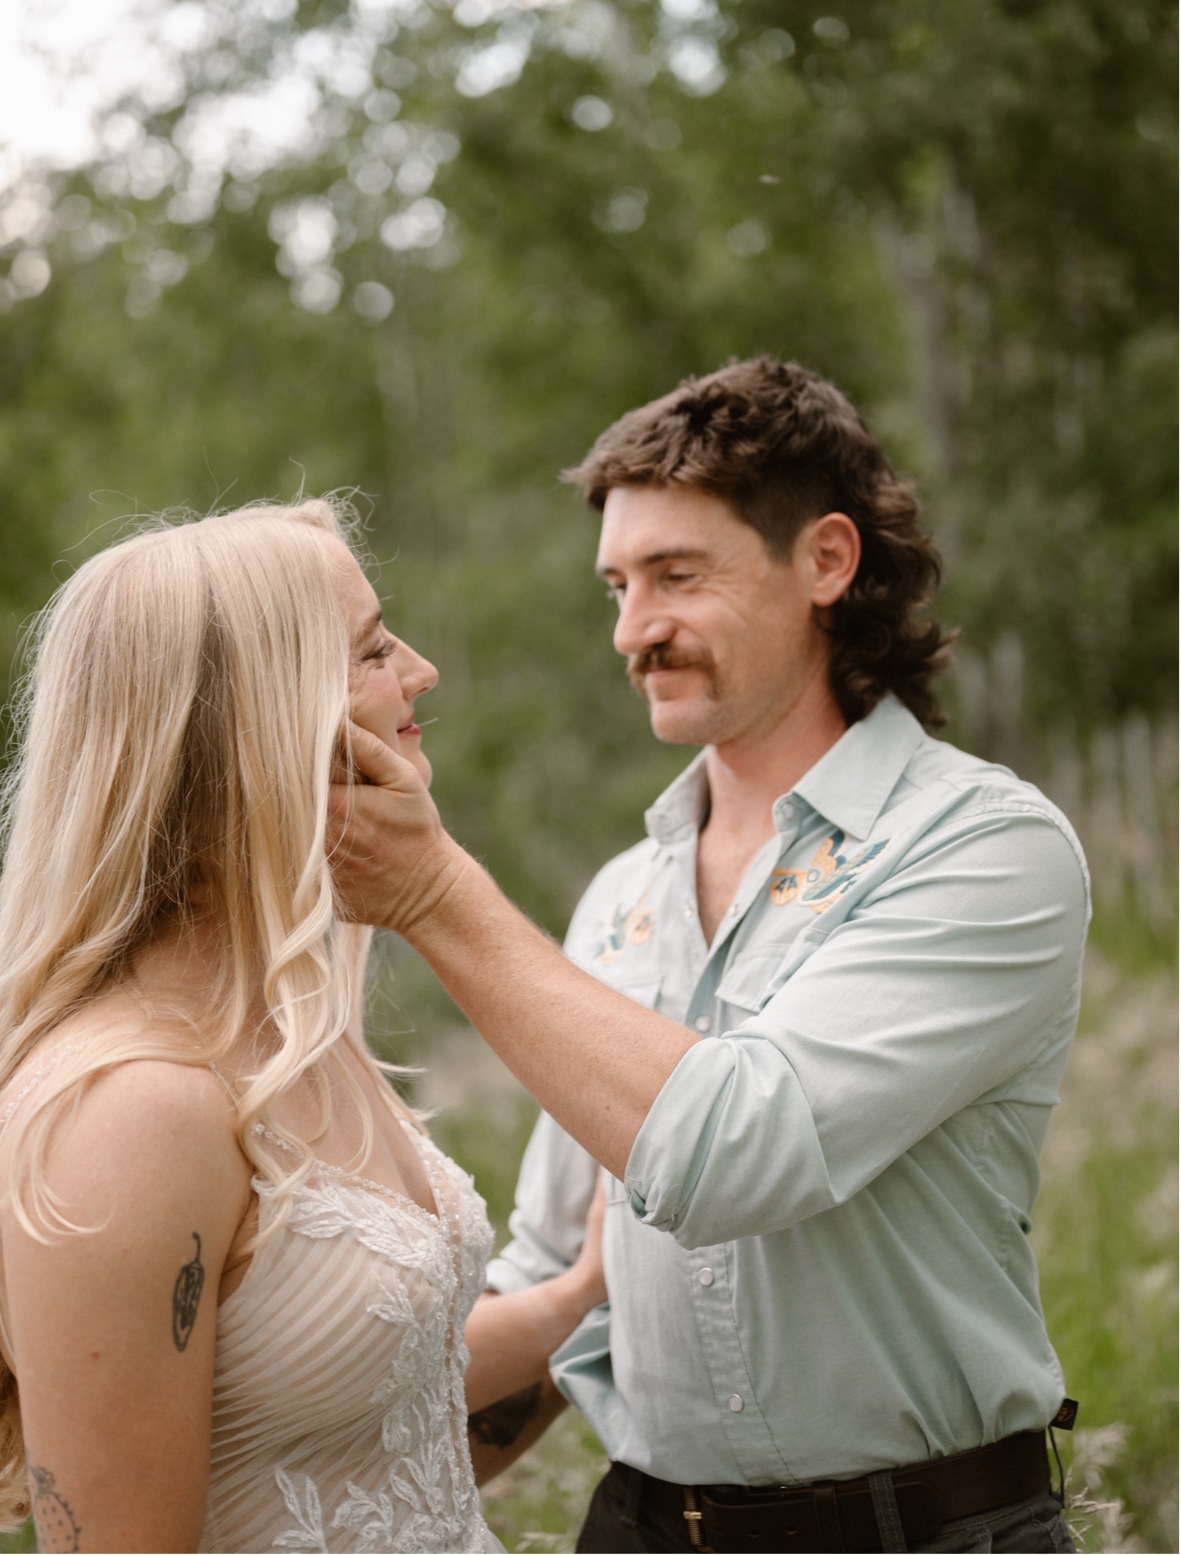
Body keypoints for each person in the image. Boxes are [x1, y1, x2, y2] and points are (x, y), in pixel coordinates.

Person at [331, 358, 1089, 1554]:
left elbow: (741, 1151)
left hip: (925, 1529)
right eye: (617, 585)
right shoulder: (621, 898)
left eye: (677, 576)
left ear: (826, 562)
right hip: (639, 1525)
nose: (634, 630)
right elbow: (559, 1279)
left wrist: (432, 892)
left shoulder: (984, 847)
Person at [0, 501, 607, 1554]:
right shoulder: (127, 1109)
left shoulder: (294, 1019)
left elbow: (358, 1406)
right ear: (260, 715)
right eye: (375, 648)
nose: (419, 670)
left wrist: (583, 1297)